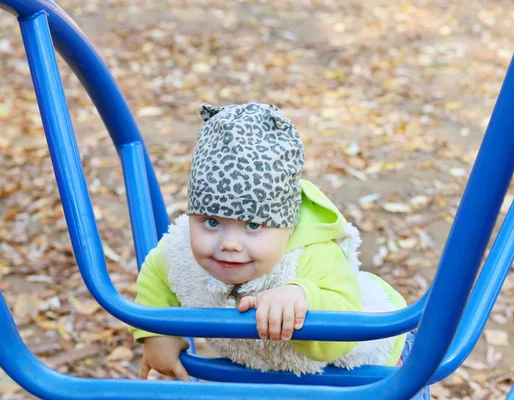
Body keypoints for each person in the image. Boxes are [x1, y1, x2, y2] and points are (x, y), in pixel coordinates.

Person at [129, 103, 429, 399]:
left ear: (288, 225)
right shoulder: (180, 250)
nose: (229, 243)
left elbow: (342, 337)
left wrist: (302, 297)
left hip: (371, 368)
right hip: (273, 374)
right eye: (211, 222)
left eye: (254, 226)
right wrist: (157, 334)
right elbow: (156, 273)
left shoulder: (312, 255)